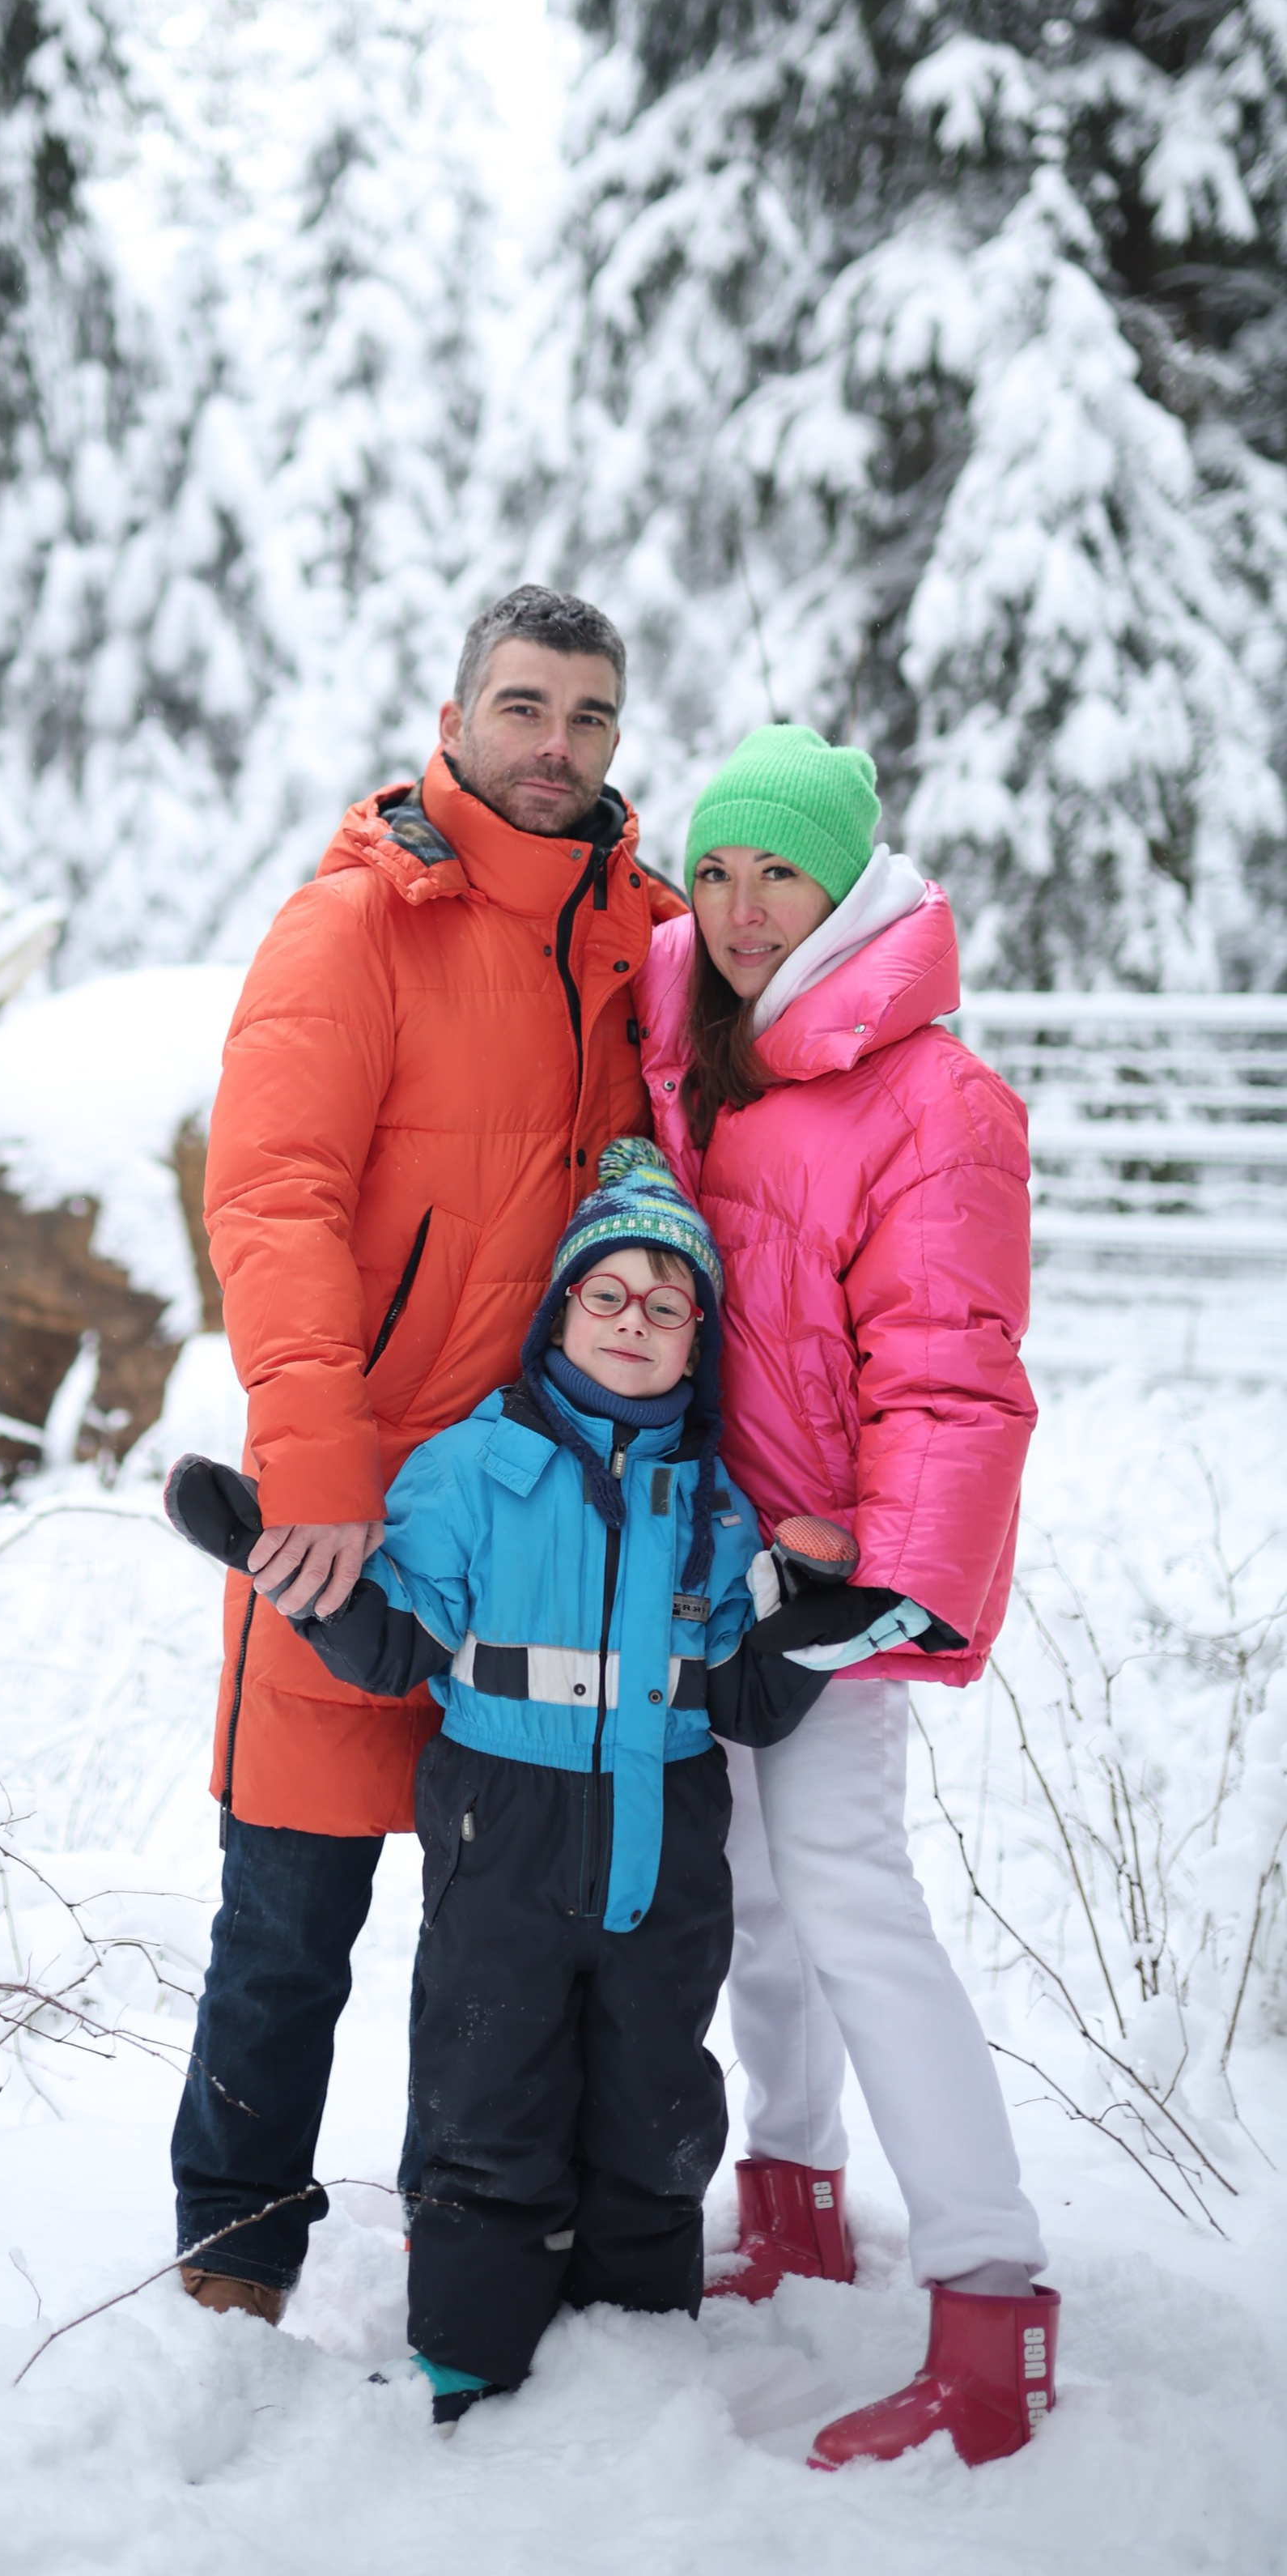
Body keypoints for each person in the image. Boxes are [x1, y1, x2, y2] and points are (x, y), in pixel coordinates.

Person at [173, 584, 688, 2320]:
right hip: (363, 1503)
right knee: (289, 1914)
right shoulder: (351, 928)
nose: (557, 747)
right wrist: (313, 1464)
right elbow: (271, 1200)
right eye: (526, 707)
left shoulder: (645, 941)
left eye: (590, 717)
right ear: (455, 716)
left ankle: (478, 2249)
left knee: (511, 1950)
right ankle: (234, 2262)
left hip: (560, 1536)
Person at [172, 1141, 859, 2418]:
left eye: (666, 1305)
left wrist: (818, 1609)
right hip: (503, 1854)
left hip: (664, 1872)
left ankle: (633, 2354)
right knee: (488, 2101)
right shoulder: (474, 1471)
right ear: (558, 1311)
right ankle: (471, 2349)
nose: (633, 1323)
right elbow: (393, 1637)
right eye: (607, 1295)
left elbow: (751, 1698)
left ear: (697, 1337)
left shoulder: (715, 1505)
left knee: (657, 2110)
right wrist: (271, 1553)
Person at [636, 721, 1058, 2470]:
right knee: (747, 1893)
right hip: (698, 1560)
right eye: (715, 871)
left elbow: (951, 1372)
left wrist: (887, 1586)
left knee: (849, 1895)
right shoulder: (687, 1054)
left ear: (846, 882)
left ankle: (986, 2307)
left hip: (823, 1578)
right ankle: (791, 2202)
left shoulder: (931, 1098)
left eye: (777, 873)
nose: (740, 908)